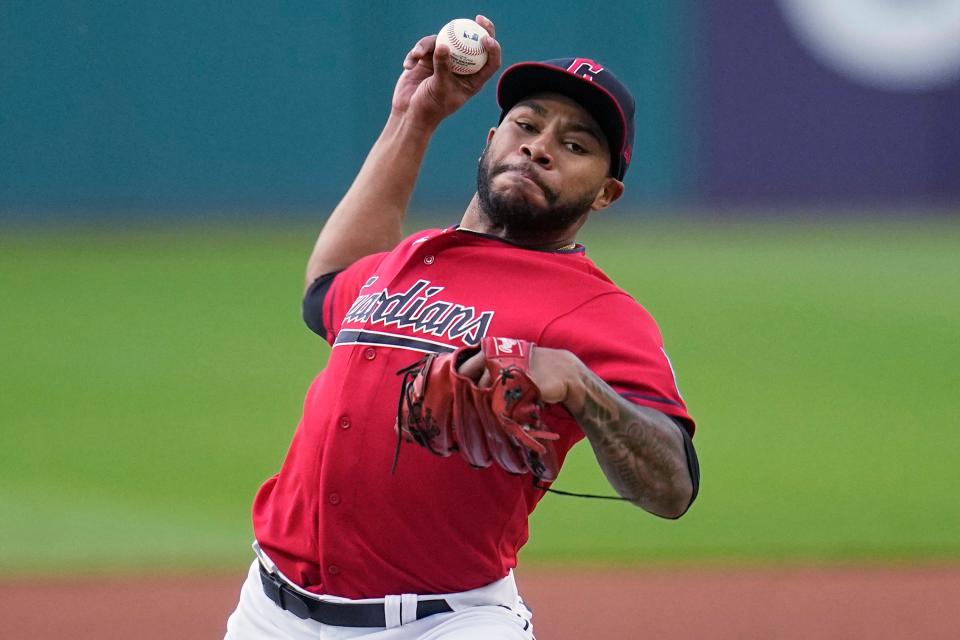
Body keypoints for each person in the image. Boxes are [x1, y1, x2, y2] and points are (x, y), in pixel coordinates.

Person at [225, 15, 700, 640]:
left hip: (444, 624)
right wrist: (414, 118)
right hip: (270, 612)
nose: (539, 147)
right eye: (526, 126)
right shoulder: (411, 256)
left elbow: (672, 488)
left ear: (606, 193)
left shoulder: (599, 311)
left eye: (575, 145)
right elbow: (326, 290)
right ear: (491, 139)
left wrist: (583, 388)